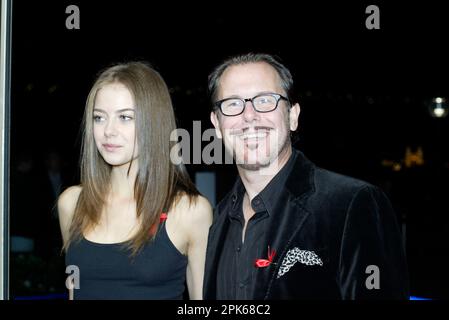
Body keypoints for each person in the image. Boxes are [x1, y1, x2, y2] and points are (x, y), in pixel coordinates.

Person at [203, 53, 409, 299]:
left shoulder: (352, 204)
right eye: (233, 104)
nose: (249, 116)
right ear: (217, 124)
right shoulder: (218, 219)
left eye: (265, 100)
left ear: (292, 116)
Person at [58, 62, 212, 300]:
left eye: (125, 117)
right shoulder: (72, 203)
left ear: (154, 122)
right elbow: (74, 292)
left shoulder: (189, 211)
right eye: (99, 118)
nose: (109, 130)